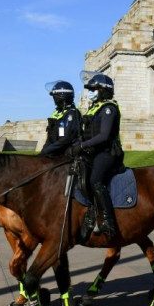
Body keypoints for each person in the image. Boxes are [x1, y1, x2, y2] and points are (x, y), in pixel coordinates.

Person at [72, 73, 124, 238]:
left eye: (95, 89)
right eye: (91, 89)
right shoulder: (94, 108)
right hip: (93, 151)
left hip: (108, 152)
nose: (92, 92)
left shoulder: (109, 108)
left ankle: (108, 221)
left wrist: (82, 146)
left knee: (96, 181)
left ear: (104, 90)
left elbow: (104, 136)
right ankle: (90, 213)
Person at [40, 80, 82, 157]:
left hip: (66, 153)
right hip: (55, 151)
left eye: (55, 97)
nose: (54, 100)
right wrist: (43, 151)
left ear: (61, 97)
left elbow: (65, 139)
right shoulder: (56, 114)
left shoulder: (71, 114)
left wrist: (47, 151)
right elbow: (50, 137)